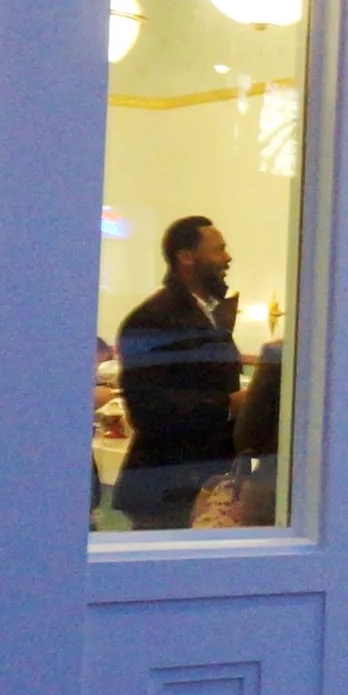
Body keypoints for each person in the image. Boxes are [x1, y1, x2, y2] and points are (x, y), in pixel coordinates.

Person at [114, 215, 244, 530]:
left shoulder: (207, 314)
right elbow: (148, 408)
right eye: (218, 250)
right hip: (166, 485)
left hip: (199, 480)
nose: (228, 258)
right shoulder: (151, 320)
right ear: (186, 257)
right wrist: (229, 405)